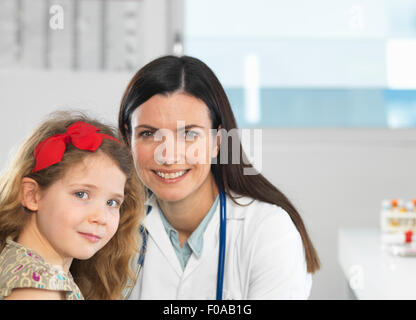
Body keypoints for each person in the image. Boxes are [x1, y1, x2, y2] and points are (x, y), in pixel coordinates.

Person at [119, 55, 320, 300]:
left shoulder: (268, 230)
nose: (168, 156)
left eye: (189, 134)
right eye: (149, 133)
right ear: (129, 140)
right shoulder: (113, 227)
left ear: (217, 142)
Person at [0, 111, 144, 300]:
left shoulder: (32, 270)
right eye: (81, 194)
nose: (100, 217)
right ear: (32, 195)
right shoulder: (38, 289)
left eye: (112, 202)